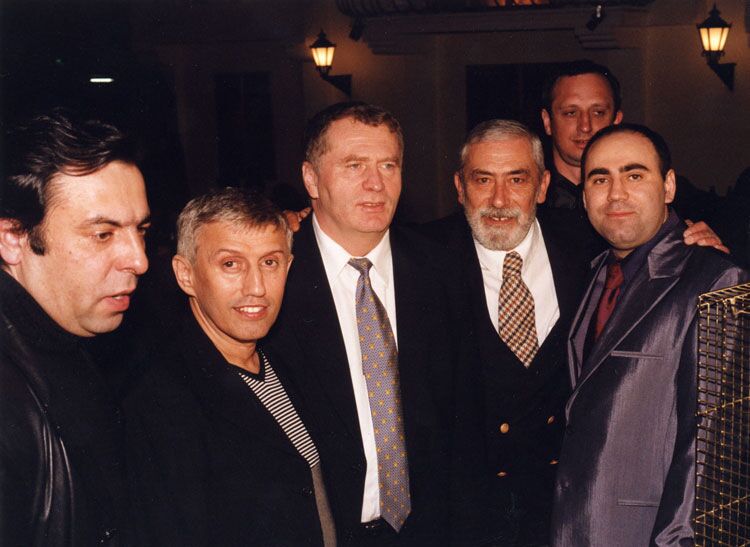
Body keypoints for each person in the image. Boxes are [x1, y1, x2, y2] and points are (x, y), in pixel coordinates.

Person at [267, 102, 466, 545]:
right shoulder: (273, 277)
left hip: (431, 530)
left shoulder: (442, 269)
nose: (376, 183)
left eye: (388, 165)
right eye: (354, 165)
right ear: (311, 179)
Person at [550, 123, 748, 546]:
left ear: (669, 186)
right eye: (599, 179)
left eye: (634, 175)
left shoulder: (717, 281)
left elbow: (712, 452)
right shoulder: (594, 274)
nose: (616, 194)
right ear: (584, 196)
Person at [123, 189, 334, 546]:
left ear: (288, 267)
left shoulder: (286, 360)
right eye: (231, 264)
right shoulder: (160, 399)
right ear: (186, 274)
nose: (256, 288)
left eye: (270, 263)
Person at [420, 120, 590, 546]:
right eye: (483, 180)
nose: (499, 200)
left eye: (517, 179)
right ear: (460, 187)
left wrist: (691, 237)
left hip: (563, 510)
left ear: (543, 186)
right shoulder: (419, 257)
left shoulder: (587, 245)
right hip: (467, 519)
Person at [0, 109, 151, 546]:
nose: (139, 260)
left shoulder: (73, 342)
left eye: (141, 230)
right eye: (103, 234)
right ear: (13, 238)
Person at [540, 59, 726, 253]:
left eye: (598, 112)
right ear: (547, 121)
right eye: (570, 113)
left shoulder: (675, 193)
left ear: (616, 120)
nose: (585, 126)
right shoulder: (532, 199)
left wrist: (710, 241)